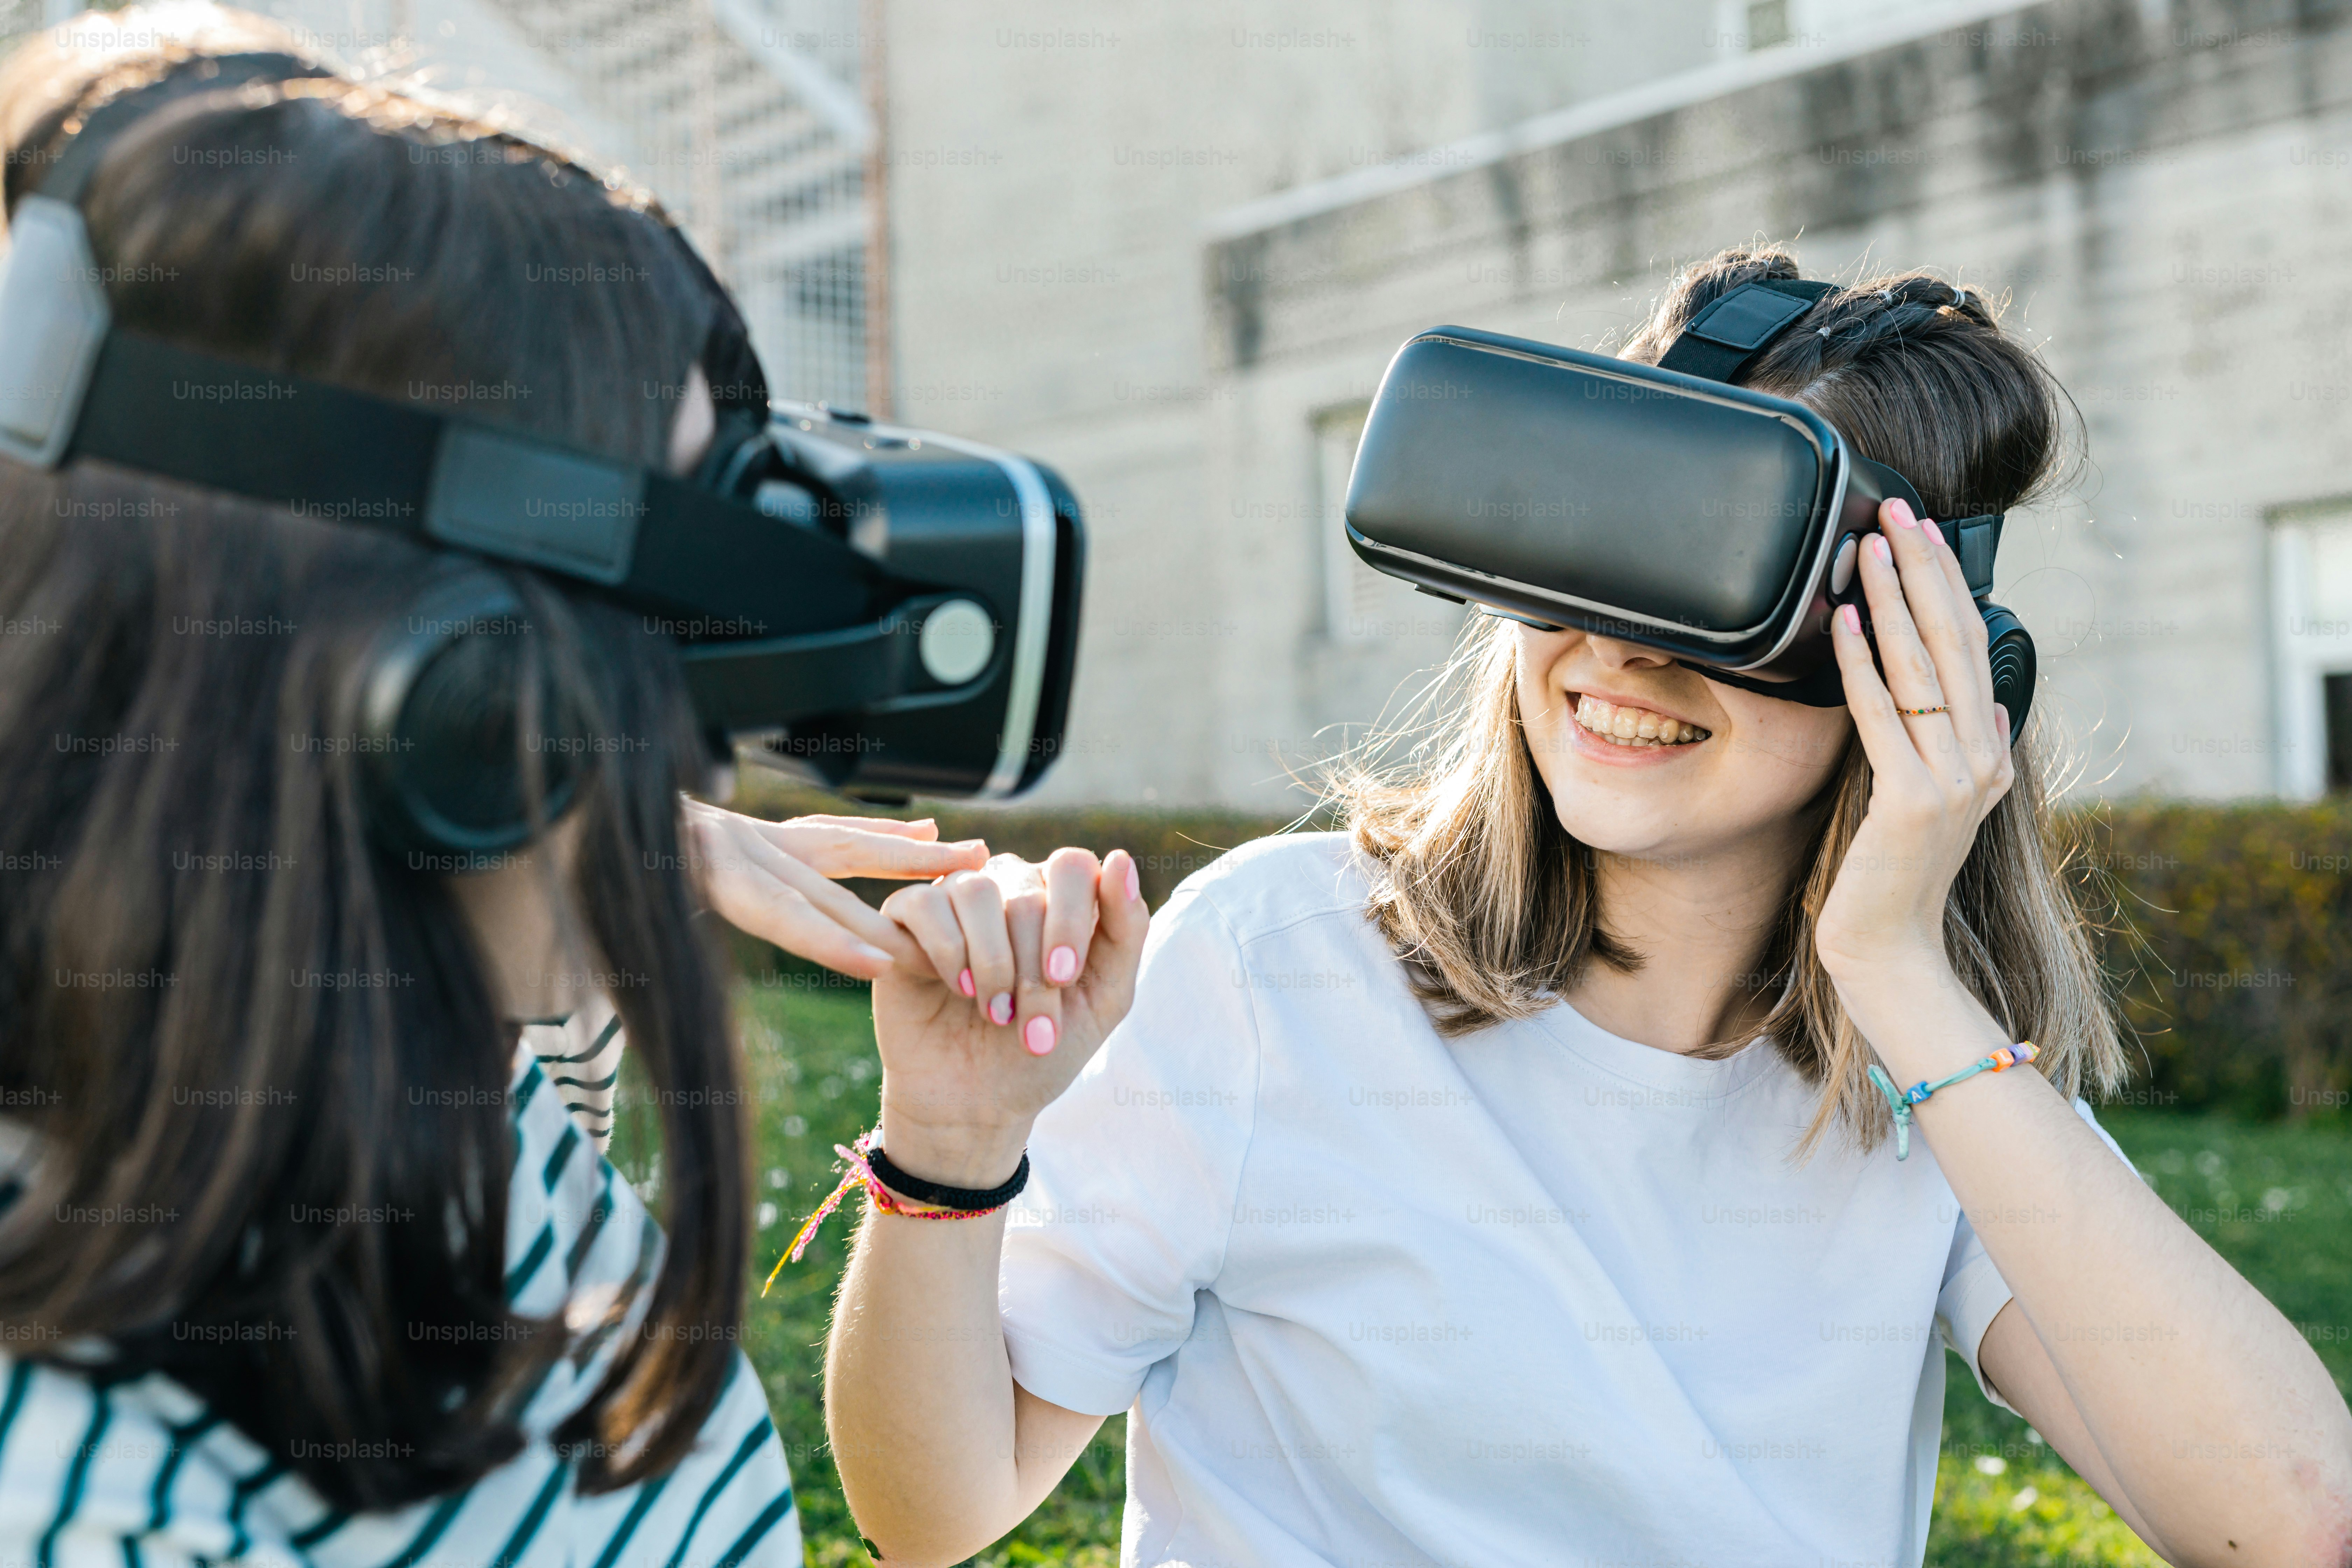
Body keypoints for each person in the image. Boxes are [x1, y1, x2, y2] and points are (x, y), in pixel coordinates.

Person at [826, 250, 2352, 1566]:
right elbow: (933, 1513)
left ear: (1929, 658)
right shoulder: (1281, 963)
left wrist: (1894, 961)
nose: (1624, 649)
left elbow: (2291, 1525)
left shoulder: (1930, 1082)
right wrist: (950, 1154)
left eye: (1727, 576)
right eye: (1607, 545)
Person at [0, 10, 1095, 1564]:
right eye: (659, 638)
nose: (704, 752)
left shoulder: (415, 1052)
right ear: (437, 704)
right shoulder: (89, 1508)